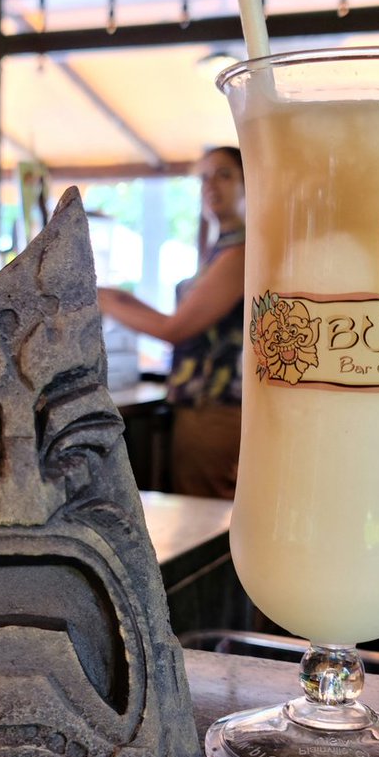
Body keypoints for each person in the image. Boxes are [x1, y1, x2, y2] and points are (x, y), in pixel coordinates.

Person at [97, 146, 245, 499]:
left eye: (224, 175)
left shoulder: (240, 253)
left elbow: (176, 329)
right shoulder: (223, 249)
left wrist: (105, 300)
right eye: (204, 177)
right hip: (203, 407)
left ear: (249, 183)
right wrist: (116, 296)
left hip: (216, 410)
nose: (211, 185)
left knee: (208, 516)